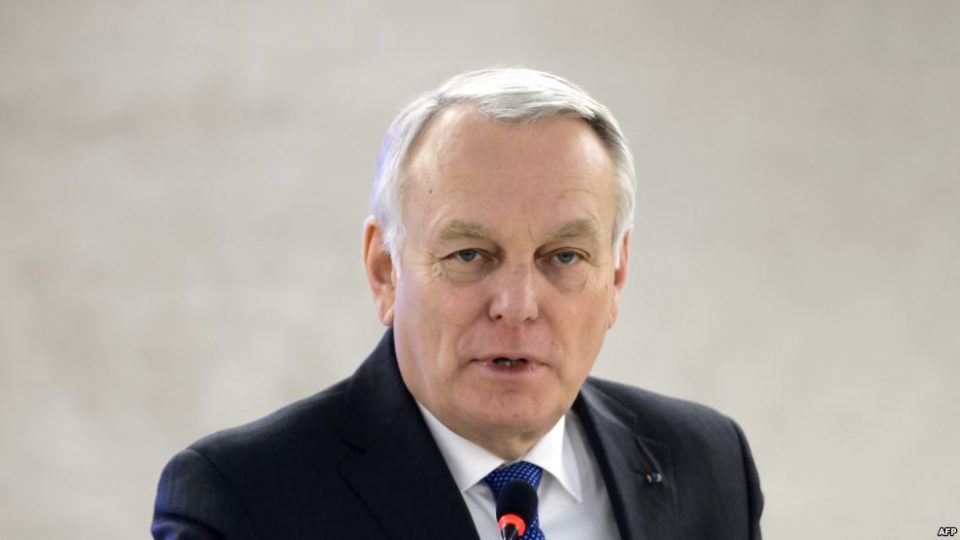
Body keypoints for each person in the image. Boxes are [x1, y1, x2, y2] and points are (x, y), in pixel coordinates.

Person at [152, 67, 763, 539]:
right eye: (470, 254)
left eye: (564, 257)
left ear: (617, 275)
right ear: (385, 270)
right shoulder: (243, 501)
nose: (517, 306)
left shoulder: (709, 463)